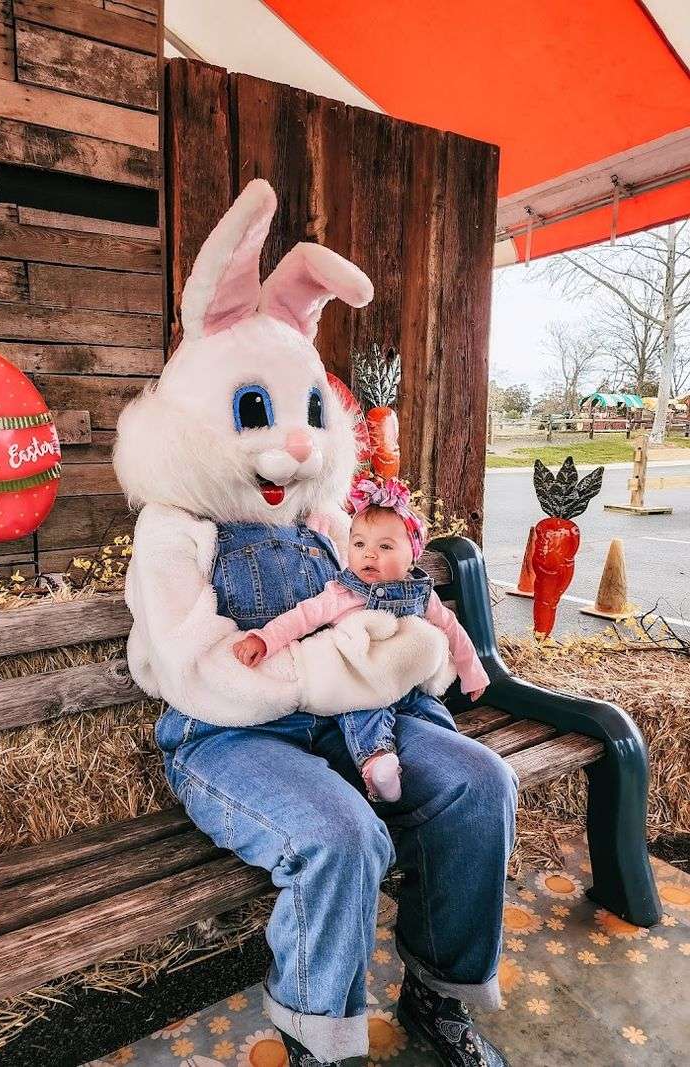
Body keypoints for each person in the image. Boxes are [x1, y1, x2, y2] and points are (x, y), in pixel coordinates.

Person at [116, 179, 518, 1067]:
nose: (294, 442)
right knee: (342, 835)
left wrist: (419, 642)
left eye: (304, 414)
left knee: (480, 783)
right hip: (230, 736)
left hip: (358, 722)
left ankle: (438, 995)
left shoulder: (322, 518)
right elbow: (197, 668)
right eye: (258, 411)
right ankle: (318, 1041)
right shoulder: (176, 527)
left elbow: (390, 595)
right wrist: (329, 673)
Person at [233, 477, 490, 803]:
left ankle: (449, 757)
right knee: (362, 718)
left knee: (435, 714)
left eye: (384, 547)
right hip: (363, 686)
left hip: (408, 686)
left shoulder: (421, 593)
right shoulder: (343, 592)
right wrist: (265, 640)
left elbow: (451, 629)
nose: (369, 555)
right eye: (359, 545)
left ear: (412, 554)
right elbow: (301, 617)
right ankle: (377, 765)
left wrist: (472, 671)